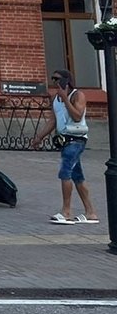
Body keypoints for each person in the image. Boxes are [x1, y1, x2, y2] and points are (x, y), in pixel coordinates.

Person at [30, 68, 99, 224]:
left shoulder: (77, 95)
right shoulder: (56, 99)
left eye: (57, 79)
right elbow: (53, 121)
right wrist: (39, 137)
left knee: (65, 171)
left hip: (77, 139)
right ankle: (91, 213)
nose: (54, 82)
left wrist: (66, 99)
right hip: (64, 140)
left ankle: (66, 212)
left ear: (66, 80)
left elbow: (77, 116)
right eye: (53, 79)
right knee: (77, 176)